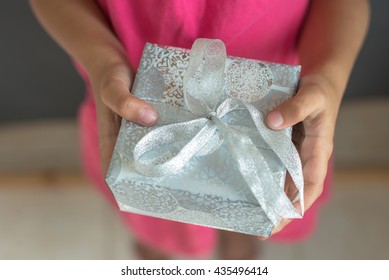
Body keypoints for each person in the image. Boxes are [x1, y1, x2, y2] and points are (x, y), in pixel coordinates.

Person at [29, 0, 370, 259]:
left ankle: (239, 244)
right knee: (157, 234)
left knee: (246, 221)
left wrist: (327, 76)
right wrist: (102, 60)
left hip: (276, 101)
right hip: (130, 98)